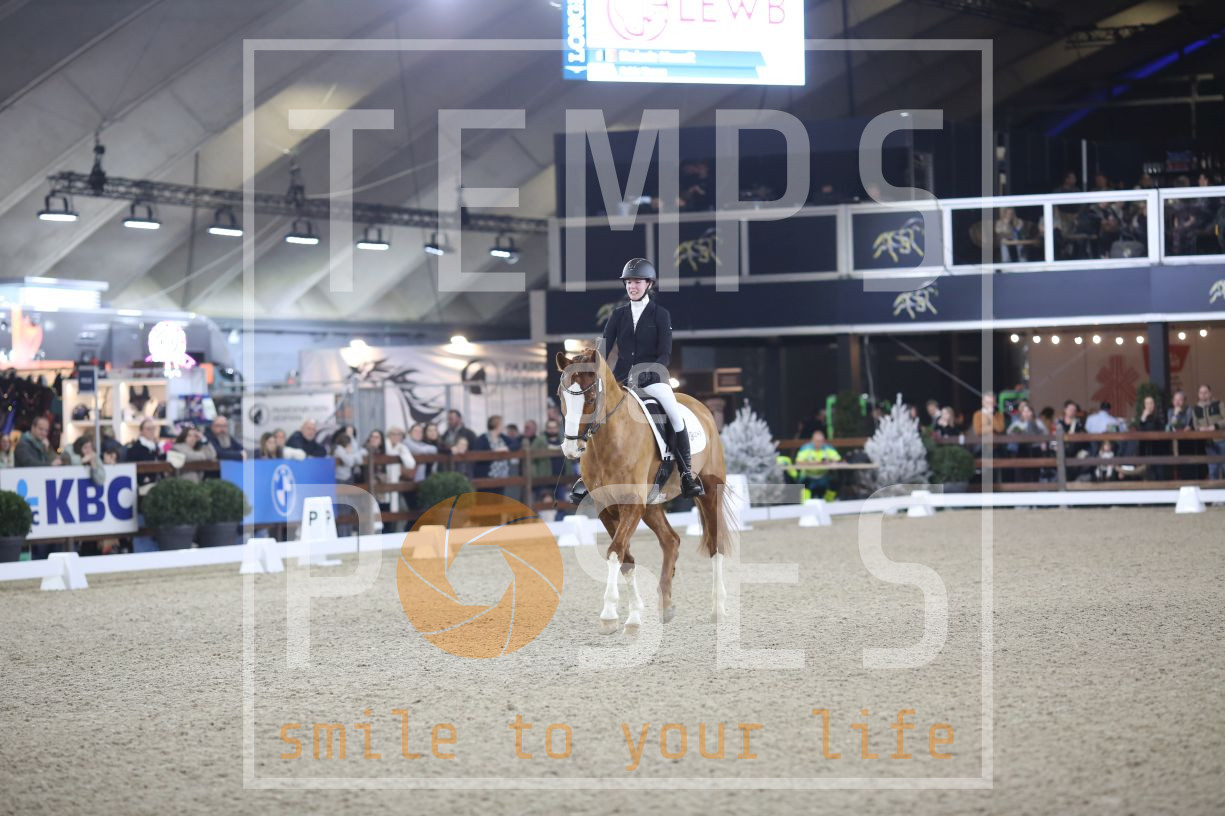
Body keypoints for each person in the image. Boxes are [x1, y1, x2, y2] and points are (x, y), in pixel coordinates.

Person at [575, 257, 702, 502]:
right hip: (622, 380)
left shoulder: (660, 315)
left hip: (653, 379)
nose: (632, 286)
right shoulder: (617, 315)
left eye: (637, 282)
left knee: (674, 415)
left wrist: (648, 371)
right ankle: (586, 476)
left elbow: (665, 353)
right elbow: (603, 349)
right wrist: (592, 367)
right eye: (629, 282)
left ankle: (686, 474)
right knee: (593, 413)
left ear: (648, 284)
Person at [795, 429, 842, 500]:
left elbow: (838, 459)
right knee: (800, 482)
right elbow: (798, 462)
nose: (819, 443)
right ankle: (804, 503)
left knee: (835, 482)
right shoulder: (806, 448)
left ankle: (829, 502)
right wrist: (811, 463)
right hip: (809, 476)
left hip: (823, 476)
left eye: (821, 441)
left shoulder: (828, 448)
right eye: (817, 441)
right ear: (812, 440)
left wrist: (829, 462)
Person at [383, 427, 418, 522]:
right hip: (382, 479)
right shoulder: (384, 445)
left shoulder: (401, 447)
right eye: (393, 434)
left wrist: (401, 454)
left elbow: (411, 464)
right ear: (389, 435)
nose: (396, 437)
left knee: (394, 506)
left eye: (399, 435)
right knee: (383, 506)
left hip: (395, 480)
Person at [1191, 384, 1225, 480]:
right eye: (1201, 393)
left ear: (1210, 393)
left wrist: (1215, 426)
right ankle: (1214, 488)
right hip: (1208, 442)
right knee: (1213, 468)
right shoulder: (1196, 408)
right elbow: (1195, 425)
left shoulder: (1219, 404)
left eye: (1205, 392)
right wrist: (1200, 429)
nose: (1203, 395)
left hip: (1222, 440)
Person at [473, 415, 510, 494]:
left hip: (501, 475)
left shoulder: (503, 437)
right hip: (486, 475)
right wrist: (493, 452)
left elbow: (516, 444)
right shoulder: (483, 438)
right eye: (502, 424)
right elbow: (477, 452)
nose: (503, 426)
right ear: (497, 425)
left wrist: (506, 448)